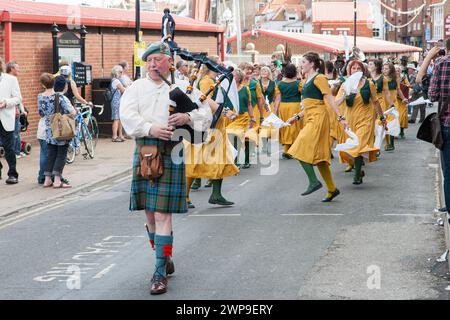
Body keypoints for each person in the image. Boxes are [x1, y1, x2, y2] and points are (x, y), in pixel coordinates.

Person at [119, 41, 212, 295]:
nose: (152, 65)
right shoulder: (136, 88)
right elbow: (127, 117)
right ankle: (165, 255)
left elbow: (206, 116)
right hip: (146, 150)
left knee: (162, 214)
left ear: (168, 62)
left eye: (157, 60)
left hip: (172, 152)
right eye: (148, 61)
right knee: (149, 213)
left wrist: (187, 118)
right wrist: (150, 128)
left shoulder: (182, 88)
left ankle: (159, 271)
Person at [286, 52, 348, 202]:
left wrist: (340, 117)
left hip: (319, 119)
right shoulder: (307, 79)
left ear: (312, 64)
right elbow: (310, 104)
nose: (301, 64)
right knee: (320, 158)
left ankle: (313, 182)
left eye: (303, 62)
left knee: (297, 148)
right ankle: (332, 189)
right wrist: (296, 117)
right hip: (310, 117)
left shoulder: (319, 78)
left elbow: (329, 99)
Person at [184, 55, 238, 208]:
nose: (221, 64)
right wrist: (225, 111)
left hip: (217, 123)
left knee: (219, 158)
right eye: (218, 63)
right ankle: (185, 196)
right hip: (207, 123)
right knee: (196, 159)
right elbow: (204, 99)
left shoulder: (214, 80)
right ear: (210, 65)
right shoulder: (205, 81)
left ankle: (216, 194)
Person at [335, 60, 386, 184]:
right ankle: (358, 169)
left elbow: (376, 102)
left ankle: (357, 175)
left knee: (359, 145)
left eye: (359, 68)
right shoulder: (345, 85)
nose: (356, 70)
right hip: (350, 119)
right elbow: (336, 103)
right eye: (353, 68)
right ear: (349, 71)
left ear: (363, 71)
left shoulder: (369, 84)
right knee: (352, 148)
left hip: (366, 119)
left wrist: (382, 117)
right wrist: (344, 96)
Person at [39, 75, 76, 188]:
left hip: (49, 130)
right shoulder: (59, 97)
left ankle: (47, 179)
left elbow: (40, 113)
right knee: (61, 154)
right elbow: (72, 112)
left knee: (51, 154)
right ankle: (57, 181)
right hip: (60, 130)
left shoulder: (40, 96)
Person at [428, 38, 450, 213]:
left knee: (449, 171)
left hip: (447, 123)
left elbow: (433, 95)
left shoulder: (441, 64)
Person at [226, 68, 256, 169]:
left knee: (242, 137)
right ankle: (236, 160)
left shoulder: (245, 89)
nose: (232, 77)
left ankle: (243, 160)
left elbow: (249, 104)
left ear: (239, 78)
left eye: (234, 76)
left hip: (243, 117)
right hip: (229, 117)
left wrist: (252, 117)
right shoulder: (226, 89)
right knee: (233, 138)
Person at [273, 63, 303, 159]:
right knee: (295, 126)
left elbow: (277, 99)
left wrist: (275, 111)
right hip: (295, 106)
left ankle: (287, 148)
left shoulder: (279, 84)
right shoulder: (299, 83)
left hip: (283, 106)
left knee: (286, 126)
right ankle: (293, 149)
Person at [0, 57, 21, 184]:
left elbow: (18, 98)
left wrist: (6, 102)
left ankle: (13, 174)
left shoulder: (11, 79)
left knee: (9, 147)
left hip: (6, 117)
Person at [381, 62, 408, 151]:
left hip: (393, 102)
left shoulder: (395, 78)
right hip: (383, 102)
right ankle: (379, 146)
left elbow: (398, 89)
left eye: (386, 68)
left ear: (391, 70)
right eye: (383, 68)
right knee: (381, 123)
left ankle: (391, 144)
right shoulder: (380, 79)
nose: (384, 70)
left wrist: (404, 98)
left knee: (392, 122)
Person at [6, 61, 27, 158]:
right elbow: (11, 96)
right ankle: (14, 153)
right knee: (14, 132)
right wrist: (16, 109)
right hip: (12, 110)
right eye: (17, 68)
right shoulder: (10, 80)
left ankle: (17, 151)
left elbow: (18, 96)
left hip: (15, 108)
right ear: (11, 69)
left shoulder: (13, 79)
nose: (19, 70)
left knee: (16, 131)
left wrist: (22, 109)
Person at [110, 65, 126, 142]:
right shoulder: (116, 81)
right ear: (116, 72)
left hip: (118, 102)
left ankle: (120, 135)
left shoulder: (116, 80)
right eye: (120, 72)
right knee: (116, 119)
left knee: (120, 119)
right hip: (116, 102)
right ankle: (114, 136)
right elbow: (123, 90)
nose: (121, 74)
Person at [395, 65, 410, 138]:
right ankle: (395, 132)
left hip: (402, 100)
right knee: (396, 116)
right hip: (395, 100)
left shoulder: (403, 77)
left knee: (403, 116)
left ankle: (402, 131)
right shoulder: (391, 78)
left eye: (398, 70)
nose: (397, 72)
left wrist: (403, 86)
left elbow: (408, 85)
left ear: (400, 71)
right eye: (396, 70)